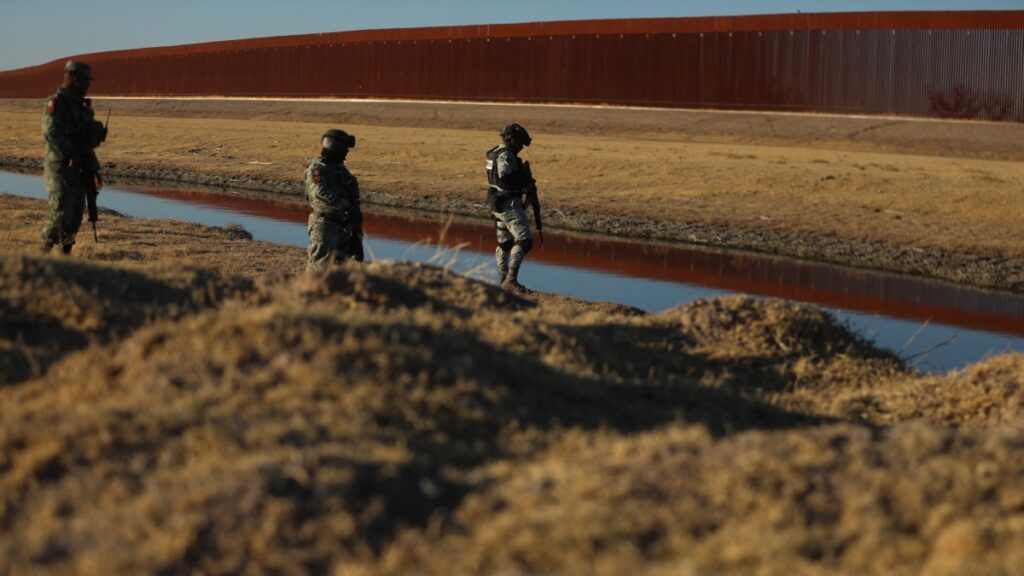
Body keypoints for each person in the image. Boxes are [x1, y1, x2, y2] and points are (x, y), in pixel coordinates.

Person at [41, 60, 107, 254]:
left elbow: (87, 143)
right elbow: (51, 134)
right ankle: (38, 257)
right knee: (59, 216)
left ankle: (65, 260)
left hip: (80, 169)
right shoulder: (57, 103)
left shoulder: (81, 107)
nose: (88, 85)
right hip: (60, 168)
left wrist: (94, 168)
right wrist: (72, 154)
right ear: (76, 79)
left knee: (75, 218)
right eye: (86, 81)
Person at [486, 123, 541, 291]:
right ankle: (510, 280)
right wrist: (523, 185)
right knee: (524, 240)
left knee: (505, 242)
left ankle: (503, 279)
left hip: (497, 202)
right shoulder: (506, 154)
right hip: (508, 203)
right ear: (513, 140)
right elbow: (504, 176)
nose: (521, 147)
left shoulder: (494, 152)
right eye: (520, 143)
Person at [304, 128, 364, 272]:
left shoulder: (340, 169)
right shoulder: (317, 169)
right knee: (319, 269)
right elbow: (319, 192)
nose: (347, 152)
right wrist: (345, 206)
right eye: (344, 148)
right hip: (324, 225)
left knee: (342, 270)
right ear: (335, 147)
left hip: (343, 227)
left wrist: (357, 235)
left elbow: (352, 197)